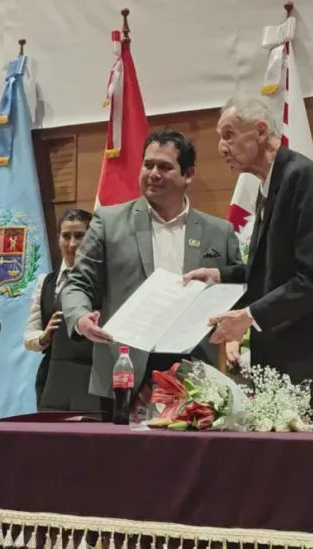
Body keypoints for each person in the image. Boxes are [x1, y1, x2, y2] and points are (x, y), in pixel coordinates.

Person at [183, 96, 313, 426]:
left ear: (260, 131)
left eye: (229, 135)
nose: (222, 148)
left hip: (312, 361)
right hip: (285, 361)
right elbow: (273, 269)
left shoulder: (304, 179)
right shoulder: (270, 185)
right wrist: (219, 275)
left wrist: (248, 316)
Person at [61, 129, 241, 419]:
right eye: (148, 165)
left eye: (165, 167)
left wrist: (234, 331)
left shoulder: (219, 232)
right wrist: (80, 317)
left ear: (188, 175)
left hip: (195, 369)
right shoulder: (109, 222)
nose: (153, 173)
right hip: (125, 369)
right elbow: (77, 283)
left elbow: (239, 291)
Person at [24, 208, 100, 412]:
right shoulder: (46, 282)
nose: (72, 244)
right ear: (58, 238)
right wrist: (44, 337)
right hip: (53, 380)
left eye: (79, 236)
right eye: (66, 236)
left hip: (94, 381)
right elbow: (29, 337)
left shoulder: (106, 281)